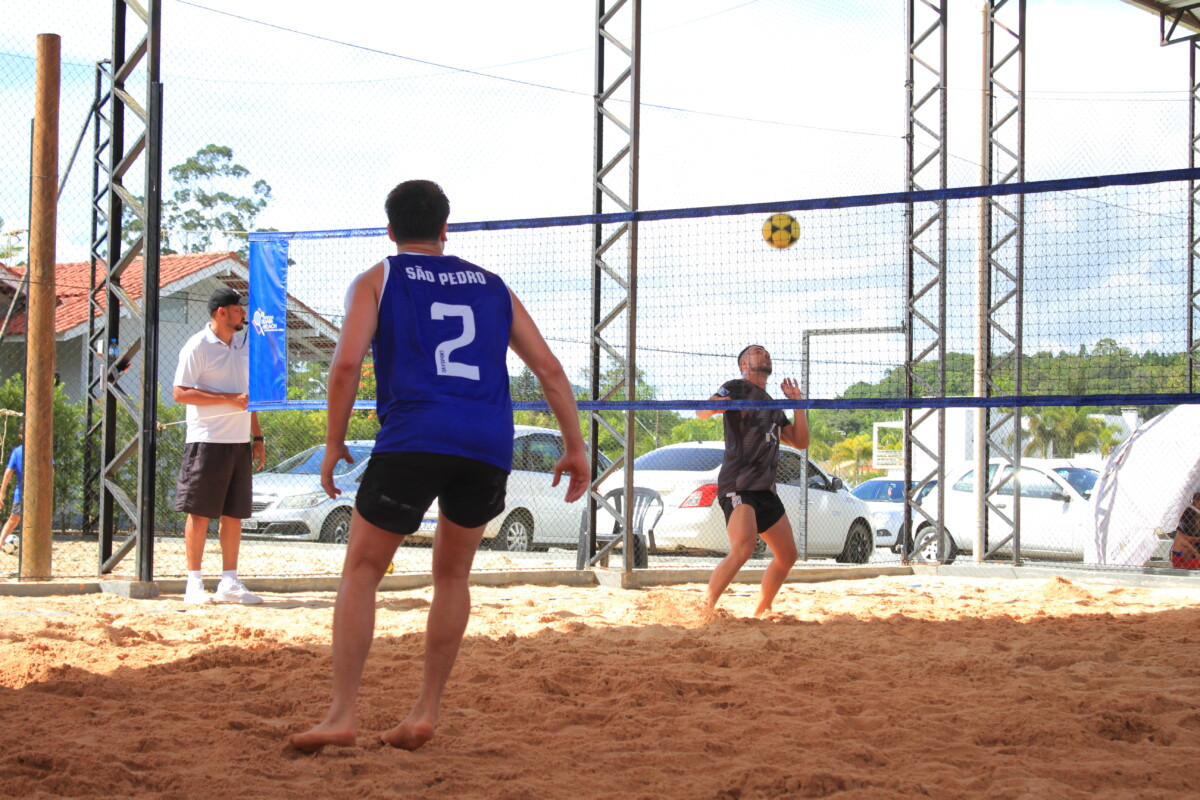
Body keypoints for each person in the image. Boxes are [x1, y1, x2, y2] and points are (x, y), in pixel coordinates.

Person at [289, 179, 588, 754]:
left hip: (415, 436)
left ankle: (343, 714)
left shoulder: (377, 278)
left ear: (390, 230)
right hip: (487, 442)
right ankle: (425, 710)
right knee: (452, 577)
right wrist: (574, 446)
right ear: (445, 229)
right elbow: (550, 369)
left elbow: (346, 364)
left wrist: (332, 441)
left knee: (362, 571)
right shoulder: (493, 286)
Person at [696, 344, 809, 616]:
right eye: (758, 352)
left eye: (766, 352)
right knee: (744, 547)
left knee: (788, 555)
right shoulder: (736, 387)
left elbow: (800, 441)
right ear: (744, 364)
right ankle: (705, 610)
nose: (765, 354)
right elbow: (701, 411)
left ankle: (762, 610)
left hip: (765, 491)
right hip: (739, 485)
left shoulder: (773, 405)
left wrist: (798, 405)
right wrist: (713, 408)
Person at [172, 286, 267, 604]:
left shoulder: (243, 346)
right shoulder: (197, 345)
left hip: (239, 443)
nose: (243, 313)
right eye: (238, 309)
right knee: (200, 513)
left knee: (234, 515)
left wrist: (257, 437)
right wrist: (229, 399)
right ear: (221, 312)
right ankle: (193, 584)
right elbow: (180, 393)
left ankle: (229, 583)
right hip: (207, 441)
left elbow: (247, 397)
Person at [0, 425, 23, 555]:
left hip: (37, 492)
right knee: (14, 518)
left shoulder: (42, 449)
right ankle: (1, 542)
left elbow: (50, 468)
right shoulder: (18, 452)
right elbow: (8, 472)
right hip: (21, 492)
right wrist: (2, 492)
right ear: (21, 437)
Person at [1170, 491, 1200, 570]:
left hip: (1195, 545)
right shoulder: (1188, 513)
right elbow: (1178, 535)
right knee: (1183, 546)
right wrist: (1196, 540)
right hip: (1189, 544)